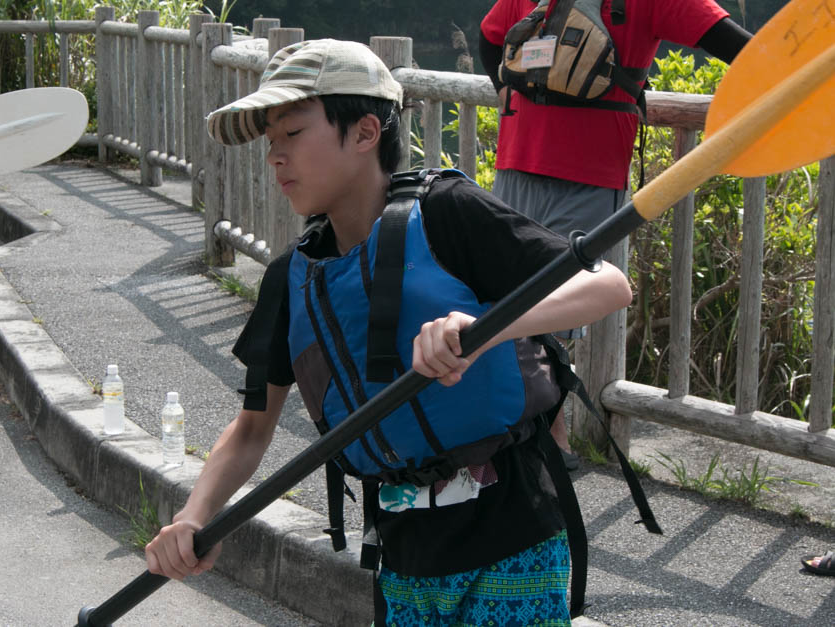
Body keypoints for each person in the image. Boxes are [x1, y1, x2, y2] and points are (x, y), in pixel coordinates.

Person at [144, 38, 633, 625]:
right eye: (270, 140)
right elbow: (252, 429)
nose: (275, 156)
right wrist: (196, 517)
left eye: (293, 133)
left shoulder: (449, 212)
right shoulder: (290, 280)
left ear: (366, 132)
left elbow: (608, 286)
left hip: (514, 529)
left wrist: (489, 328)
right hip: (403, 552)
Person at [479, 0, 752, 468]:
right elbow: (740, 49)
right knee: (553, 315)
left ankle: (533, 435)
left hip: (519, 152)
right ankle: (549, 440)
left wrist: (503, 90)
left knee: (509, 300)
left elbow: (489, 38)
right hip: (590, 168)